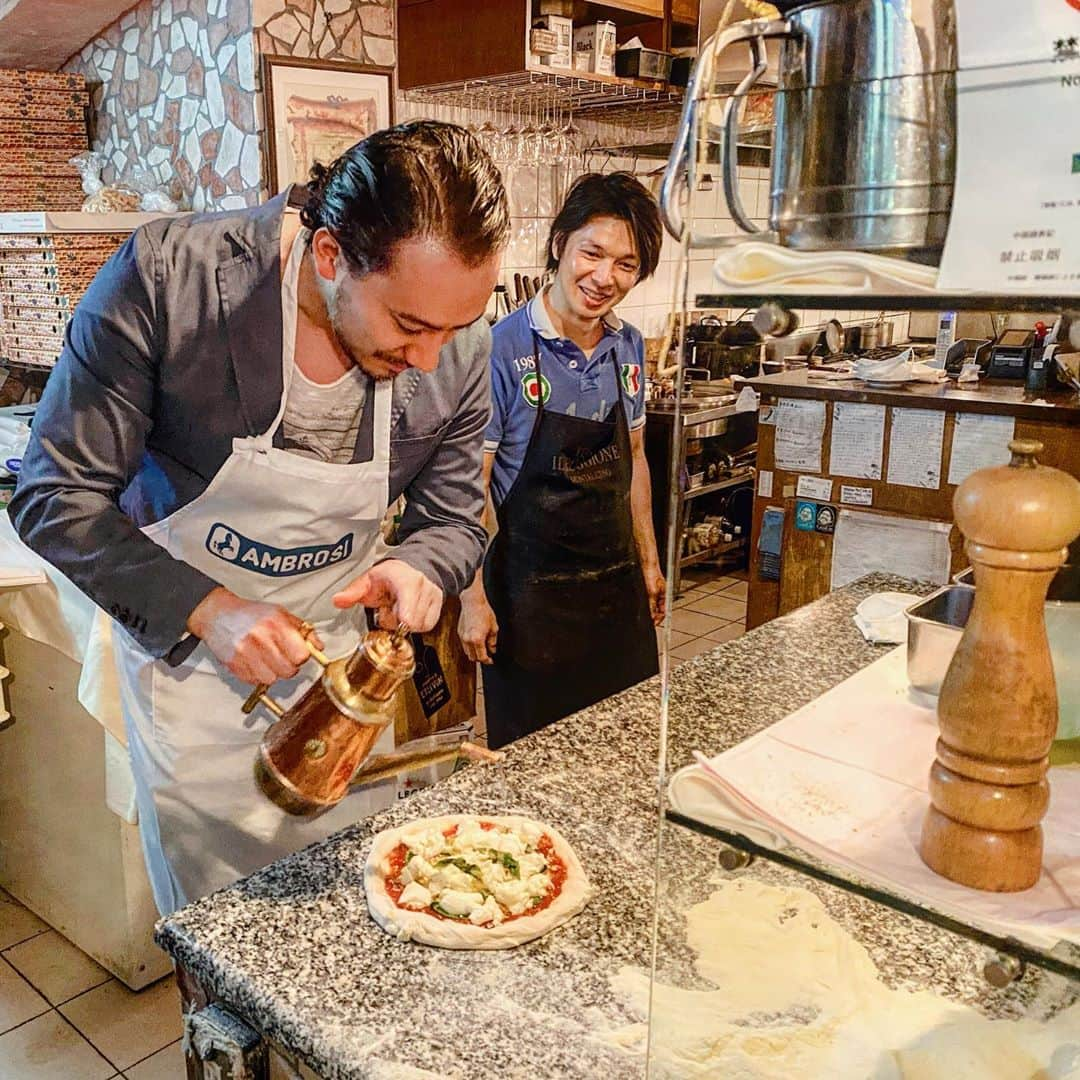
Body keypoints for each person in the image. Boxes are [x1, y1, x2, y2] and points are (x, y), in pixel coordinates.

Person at [10, 121, 510, 914]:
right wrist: (211, 611)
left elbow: (455, 515)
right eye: (410, 326)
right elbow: (53, 496)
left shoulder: (456, 342)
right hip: (194, 679)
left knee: (354, 921)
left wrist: (423, 566)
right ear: (328, 256)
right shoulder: (168, 282)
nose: (429, 356)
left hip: (344, 687)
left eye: (452, 329)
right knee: (226, 952)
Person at [458, 171, 665, 749]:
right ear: (559, 245)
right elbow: (470, 488)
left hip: (615, 591)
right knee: (534, 767)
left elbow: (637, 459)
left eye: (626, 264)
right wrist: (472, 597)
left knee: (624, 752)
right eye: (592, 253)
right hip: (529, 601)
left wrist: (648, 561)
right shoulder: (500, 349)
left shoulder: (629, 348)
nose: (605, 278)